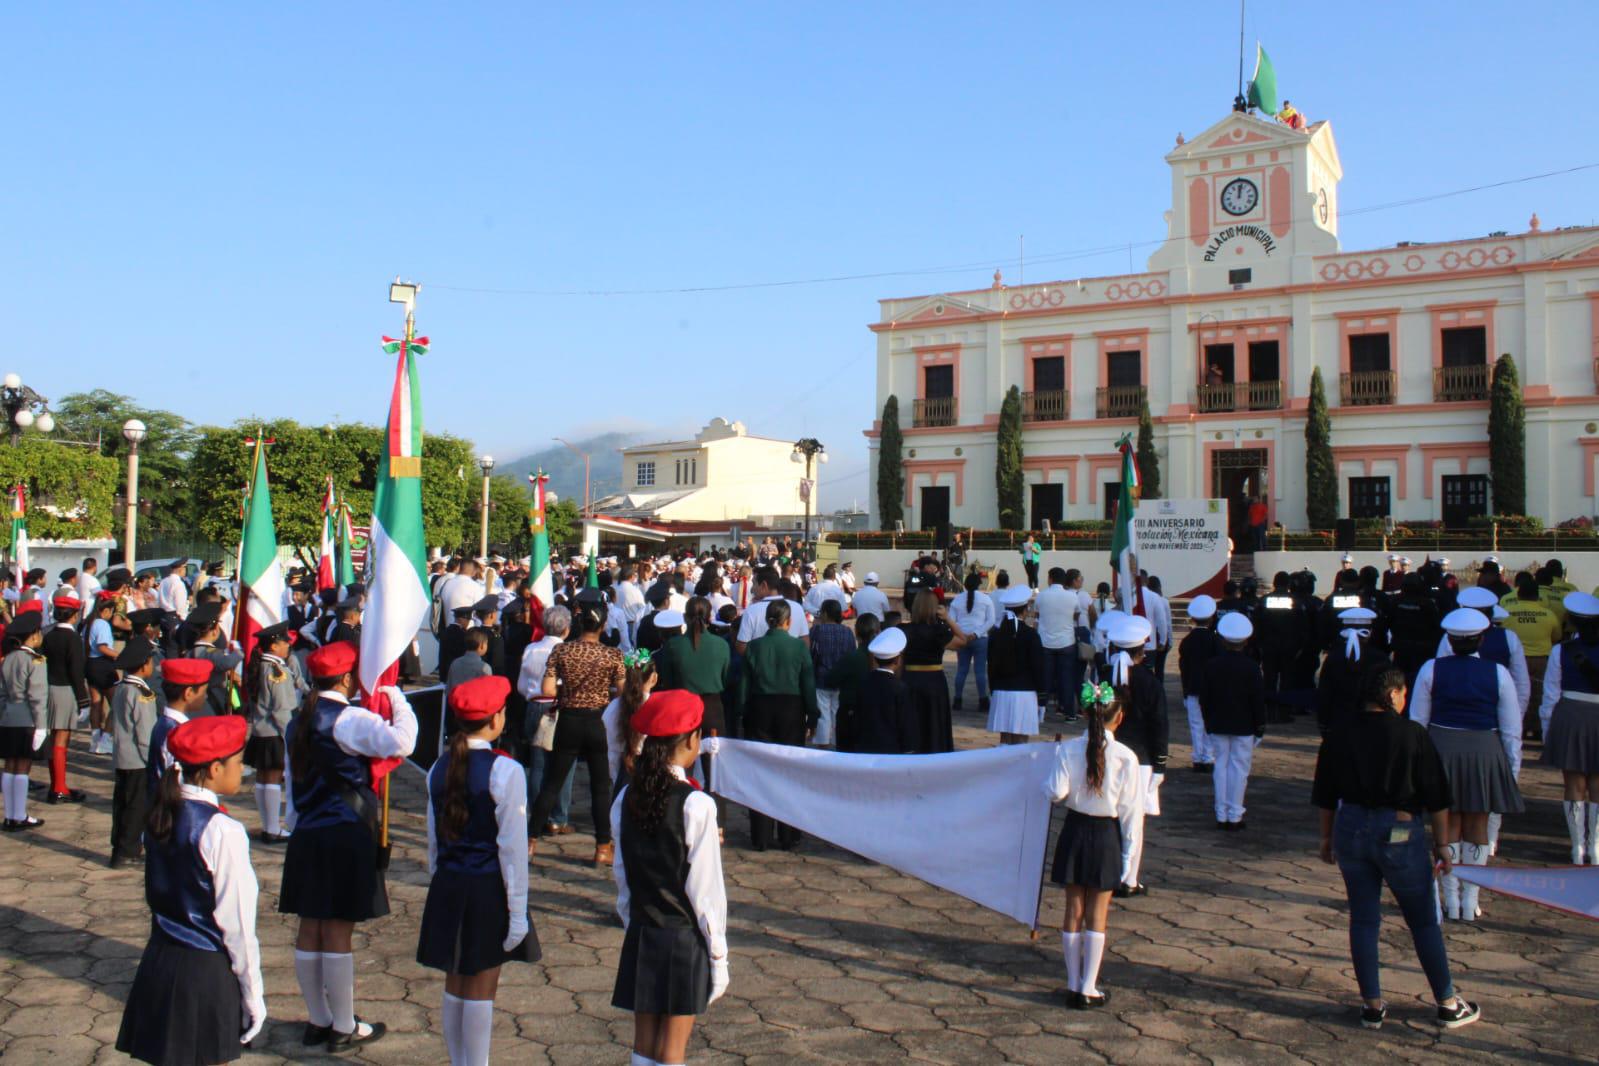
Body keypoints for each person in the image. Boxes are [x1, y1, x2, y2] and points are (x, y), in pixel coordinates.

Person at [1312, 666, 1480, 1031]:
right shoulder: (1411, 734)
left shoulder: (1339, 732)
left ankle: (1372, 1005)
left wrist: (1326, 838)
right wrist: (1442, 844)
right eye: (1402, 693)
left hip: (1351, 826)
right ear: (1392, 695)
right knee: (1422, 920)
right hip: (1400, 832)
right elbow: (1437, 796)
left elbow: (1325, 793)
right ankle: (1448, 1003)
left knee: (1364, 918)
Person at [281, 641, 418, 1050]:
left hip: (308, 831)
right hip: (345, 831)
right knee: (338, 929)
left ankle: (318, 1019)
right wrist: (397, 698)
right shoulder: (350, 719)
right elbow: (402, 742)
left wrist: (294, 825)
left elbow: (293, 782)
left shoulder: (297, 721)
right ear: (345, 678)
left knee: (310, 925)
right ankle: (343, 1025)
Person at [115, 715, 266, 1063]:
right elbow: (238, 927)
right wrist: (253, 994)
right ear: (214, 769)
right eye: (239, 762)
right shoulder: (222, 830)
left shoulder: (161, 813)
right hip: (205, 971)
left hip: (159, 959)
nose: (242, 769)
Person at [420, 675, 538, 1066]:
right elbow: (512, 849)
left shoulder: (439, 765)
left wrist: (440, 878)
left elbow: (434, 837)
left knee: (455, 982)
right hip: (488, 888)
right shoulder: (507, 771)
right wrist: (518, 911)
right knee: (482, 986)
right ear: (495, 720)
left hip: (449, 882)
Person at [610, 689, 729, 1066]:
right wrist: (718, 956)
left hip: (644, 930)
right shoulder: (697, 804)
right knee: (672, 1051)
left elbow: (623, 878)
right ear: (691, 740)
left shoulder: (626, 798)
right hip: (682, 938)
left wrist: (634, 923)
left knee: (643, 1045)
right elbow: (706, 894)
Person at [1409, 609, 1522, 921]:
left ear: (1449, 640)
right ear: (1481, 640)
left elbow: (1417, 722)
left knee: (1447, 826)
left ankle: (1450, 899)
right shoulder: (1499, 673)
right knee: (1477, 825)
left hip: (1441, 749)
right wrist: (1512, 769)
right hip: (1485, 750)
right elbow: (1511, 729)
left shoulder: (1430, 669)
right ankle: (1470, 902)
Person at [1043, 682, 1143, 1009]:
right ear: (1120, 718)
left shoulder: (1068, 749)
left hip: (1075, 828)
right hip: (1105, 834)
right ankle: (1089, 987)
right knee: (1097, 912)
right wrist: (1129, 861)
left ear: (1086, 713)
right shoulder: (1126, 757)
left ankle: (1073, 985)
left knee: (1073, 909)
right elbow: (1131, 812)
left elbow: (1055, 793)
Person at [529, 594, 627, 863]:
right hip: (597, 721)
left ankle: (530, 839)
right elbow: (622, 691)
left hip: (569, 720)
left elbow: (547, 690)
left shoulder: (562, 650)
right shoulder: (613, 655)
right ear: (603, 626)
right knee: (600, 786)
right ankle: (602, 846)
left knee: (552, 781)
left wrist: (568, 690)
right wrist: (600, 692)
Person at [737, 599, 817, 850]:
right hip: (791, 711)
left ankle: (760, 836)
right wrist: (813, 715)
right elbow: (808, 683)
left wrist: (741, 713)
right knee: (789, 771)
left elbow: (744, 686)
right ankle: (788, 834)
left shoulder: (754, 647)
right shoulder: (799, 647)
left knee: (759, 772)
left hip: (759, 709)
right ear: (789, 621)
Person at [1105, 616, 1167, 897]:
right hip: (1140, 757)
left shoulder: (1106, 676)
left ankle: (1110, 871)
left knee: (1111, 816)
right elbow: (1159, 723)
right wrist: (1161, 761)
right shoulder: (1150, 682)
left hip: (1109, 752)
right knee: (1134, 821)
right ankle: (1128, 878)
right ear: (1142, 650)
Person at [1537, 591, 1599, 865]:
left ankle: (1577, 848)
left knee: (1573, 783)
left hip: (1570, 713)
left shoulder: (1561, 650)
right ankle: (1595, 846)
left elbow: (1550, 694)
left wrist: (1548, 729)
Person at [1200, 612, 1267, 830]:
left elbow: (1205, 699)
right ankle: (1235, 814)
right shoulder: (1252, 667)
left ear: (1222, 639)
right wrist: (1260, 726)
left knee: (1221, 767)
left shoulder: (1211, 665)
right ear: (1246, 640)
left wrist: (1208, 722)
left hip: (1218, 722)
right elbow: (1258, 700)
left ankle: (1221, 813)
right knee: (1239, 769)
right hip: (1244, 724)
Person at [245, 621, 305, 844]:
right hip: (274, 733)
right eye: (283, 642)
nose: (287, 645)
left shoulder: (263, 666)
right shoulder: (276, 671)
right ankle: (271, 828)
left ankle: (268, 825)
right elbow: (281, 709)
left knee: (263, 779)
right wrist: (289, 735)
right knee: (271, 779)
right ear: (273, 646)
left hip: (262, 731)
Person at [519, 605, 575, 837]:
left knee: (538, 763)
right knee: (563, 764)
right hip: (556, 706)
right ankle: (557, 817)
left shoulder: (531, 649)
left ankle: (537, 815)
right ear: (566, 629)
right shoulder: (566, 651)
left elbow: (522, 685)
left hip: (533, 704)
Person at [108, 638, 160, 866]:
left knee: (122, 805)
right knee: (135, 808)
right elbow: (145, 732)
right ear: (143, 665)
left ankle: (119, 847)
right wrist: (153, 759)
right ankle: (128, 851)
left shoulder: (122, 687)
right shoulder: (141, 692)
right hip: (138, 760)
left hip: (122, 756)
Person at [0, 610, 47, 831]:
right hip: (28, 717)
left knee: (9, 765)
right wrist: (42, 725)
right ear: (34, 635)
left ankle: (10, 815)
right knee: (23, 766)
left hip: (8, 717)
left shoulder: (7, 658)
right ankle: (19, 815)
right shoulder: (35, 660)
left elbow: (1, 694)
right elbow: (37, 696)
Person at [1501, 572, 1562, 741]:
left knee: (1515, 694)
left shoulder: (1507, 612)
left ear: (1518, 593)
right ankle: (1537, 730)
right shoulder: (1548, 614)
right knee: (1539, 695)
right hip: (1542, 659)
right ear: (1537, 595)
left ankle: (1517, 727)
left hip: (1515, 659)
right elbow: (1557, 636)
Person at [40, 592, 89, 803]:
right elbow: (76, 672)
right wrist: (83, 701)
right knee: (61, 739)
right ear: (74, 615)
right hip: (66, 690)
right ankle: (59, 788)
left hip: (50, 688)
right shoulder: (73, 639)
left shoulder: (48, 635)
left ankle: (57, 785)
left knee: (54, 739)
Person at [1316, 607, 1393, 739]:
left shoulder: (1334, 657)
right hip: (1371, 722)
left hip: (1338, 720)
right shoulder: (1380, 658)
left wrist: (1323, 722)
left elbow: (1325, 692)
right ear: (1370, 632)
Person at [149, 658, 213, 805]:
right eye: (204, 691)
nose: (206, 696)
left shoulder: (164, 723)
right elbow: (179, 783)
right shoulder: (177, 732)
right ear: (189, 692)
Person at [987, 585, 1044, 744]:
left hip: (1001, 690)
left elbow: (991, 665)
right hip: (1024, 692)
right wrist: (1042, 695)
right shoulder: (1030, 634)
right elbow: (1038, 667)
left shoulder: (997, 633)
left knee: (1005, 739)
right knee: (1020, 740)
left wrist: (993, 689)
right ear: (1025, 610)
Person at [849, 627, 919, 754]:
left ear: (875, 659)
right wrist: (908, 749)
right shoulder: (900, 688)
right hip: (891, 751)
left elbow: (856, 718)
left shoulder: (864, 683)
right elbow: (906, 724)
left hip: (864, 749)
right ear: (898, 660)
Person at [1177, 595, 1219, 771]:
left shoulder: (1187, 641)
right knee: (1210, 724)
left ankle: (1197, 757)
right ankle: (1208, 757)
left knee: (1196, 724)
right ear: (1211, 618)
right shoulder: (1216, 641)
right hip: (1211, 689)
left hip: (1192, 687)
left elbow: (1183, 668)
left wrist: (1185, 690)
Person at [947, 571, 995, 714]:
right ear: (979, 584)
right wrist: (976, 633)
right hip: (980, 639)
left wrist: (962, 634)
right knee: (980, 671)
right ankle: (982, 700)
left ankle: (957, 700)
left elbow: (951, 620)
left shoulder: (957, 600)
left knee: (961, 670)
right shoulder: (986, 599)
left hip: (962, 639)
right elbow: (990, 621)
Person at [1036, 568, 1079, 721]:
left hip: (1046, 643)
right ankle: (1070, 714)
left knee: (1045, 679)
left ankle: (1040, 713)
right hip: (1067, 642)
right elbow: (1077, 614)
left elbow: (1037, 614)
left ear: (1050, 579)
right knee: (1066, 679)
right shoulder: (1072, 596)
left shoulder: (1041, 596)